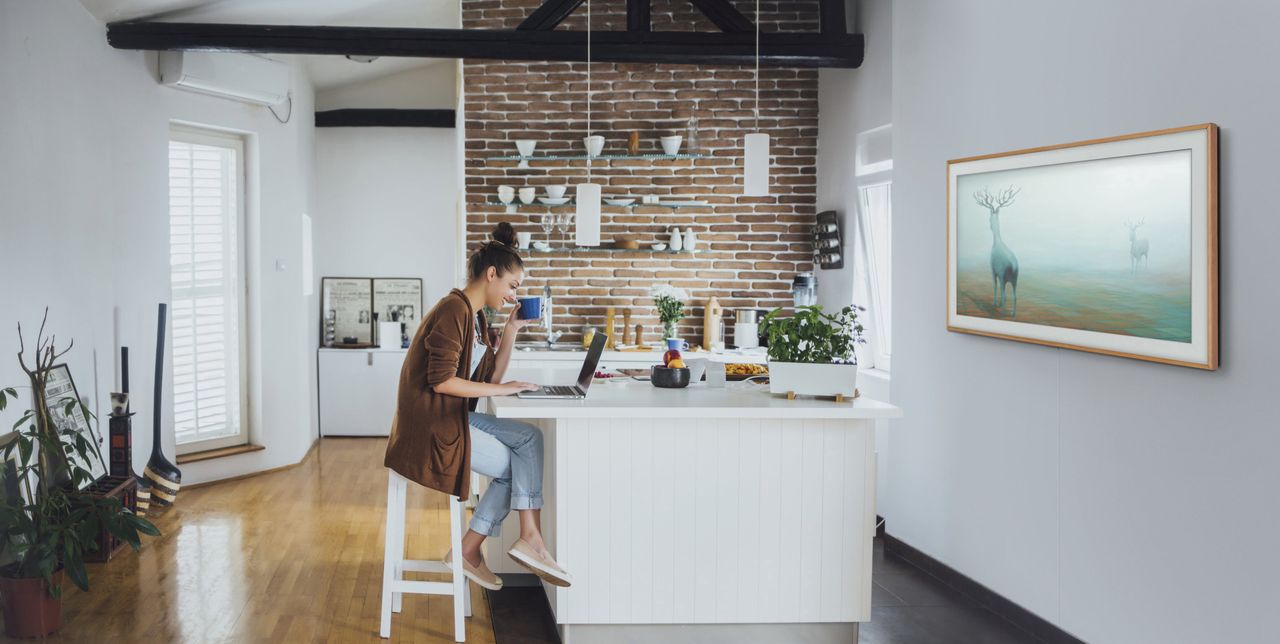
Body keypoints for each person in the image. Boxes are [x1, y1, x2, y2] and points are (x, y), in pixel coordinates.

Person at [383, 222, 572, 591]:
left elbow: (493, 379)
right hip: (431, 428)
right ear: (491, 274)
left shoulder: (476, 316)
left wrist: (513, 329)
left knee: (529, 440)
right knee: (519, 465)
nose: (514, 295)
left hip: (452, 419)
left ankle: (524, 539)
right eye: (513, 286)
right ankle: (478, 548)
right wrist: (503, 391)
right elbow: (441, 381)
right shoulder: (454, 309)